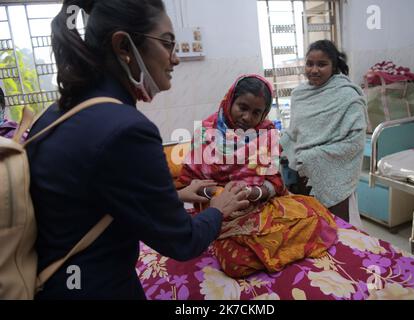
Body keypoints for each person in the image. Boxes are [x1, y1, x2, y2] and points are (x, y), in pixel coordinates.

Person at [25, 0, 249, 299]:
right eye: (168, 44)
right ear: (124, 47)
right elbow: (183, 241)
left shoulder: (56, 113)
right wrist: (219, 210)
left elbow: (88, 196)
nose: (175, 59)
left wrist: (176, 195)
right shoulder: (127, 128)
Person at [178, 74, 337, 278]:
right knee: (235, 263)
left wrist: (254, 193)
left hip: (261, 207)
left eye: (256, 112)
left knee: (315, 216)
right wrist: (218, 193)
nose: (247, 118)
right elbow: (188, 184)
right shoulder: (205, 133)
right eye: (242, 107)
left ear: (264, 114)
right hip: (220, 213)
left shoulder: (267, 133)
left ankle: (268, 248)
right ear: (230, 100)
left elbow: (275, 181)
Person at [280, 40, 367, 223]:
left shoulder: (347, 95)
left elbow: (355, 142)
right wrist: (275, 144)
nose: (314, 70)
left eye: (322, 64)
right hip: (302, 177)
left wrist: (315, 156)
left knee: (338, 232)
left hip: (334, 178)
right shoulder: (299, 95)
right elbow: (294, 132)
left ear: (334, 66)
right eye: (310, 64)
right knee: (310, 230)